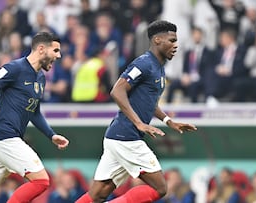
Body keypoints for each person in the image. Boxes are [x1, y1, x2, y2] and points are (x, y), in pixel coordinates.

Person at [75, 20, 197, 203]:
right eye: (171, 40)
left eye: (176, 41)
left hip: (117, 137)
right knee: (160, 188)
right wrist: (139, 123)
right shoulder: (144, 63)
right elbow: (117, 90)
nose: (175, 45)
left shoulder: (159, 68)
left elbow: (149, 103)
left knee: (98, 194)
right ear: (157, 40)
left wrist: (169, 121)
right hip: (127, 137)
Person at [0, 32, 69, 203]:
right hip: (4, 137)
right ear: (41, 49)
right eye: (55, 51)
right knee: (41, 181)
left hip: (3, 141)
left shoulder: (40, 78)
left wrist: (51, 135)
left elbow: (35, 111)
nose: (58, 56)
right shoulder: (14, 68)